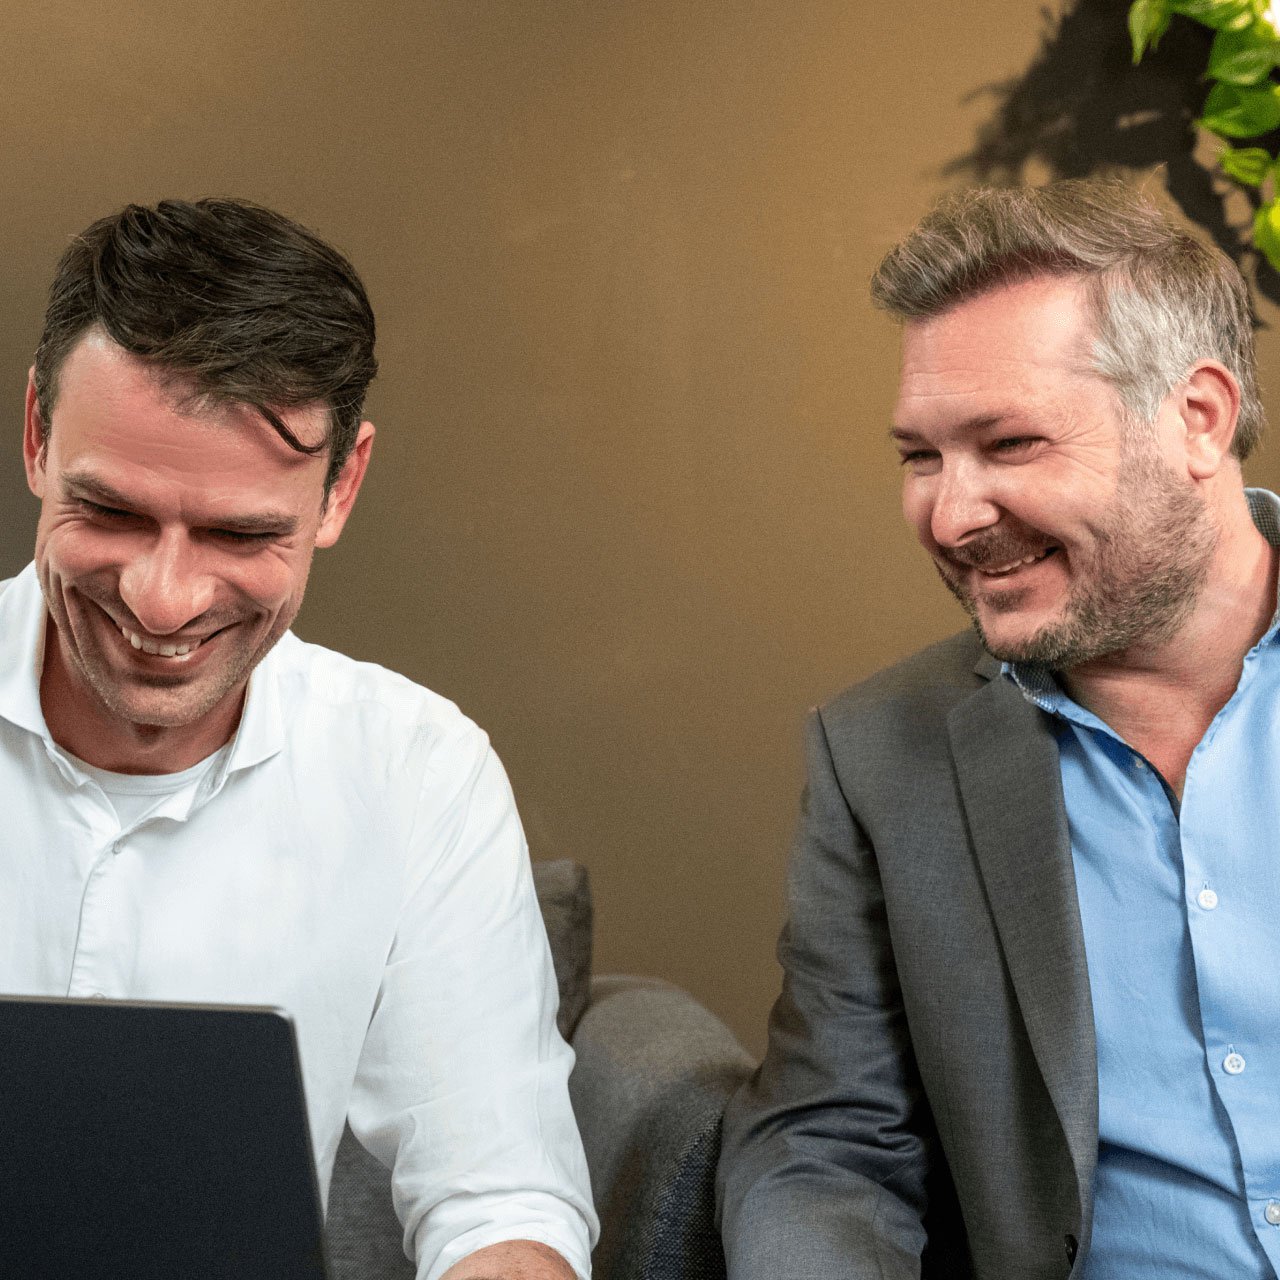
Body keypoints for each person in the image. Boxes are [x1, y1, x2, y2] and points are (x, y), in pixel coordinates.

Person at [1, 198, 596, 1280]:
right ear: (36, 434)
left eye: (238, 532)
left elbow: (497, 1196)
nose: (165, 599)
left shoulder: (417, 770)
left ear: (340, 486)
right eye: (114, 512)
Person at [716, 178, 1280, 1278]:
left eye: (1007, 443)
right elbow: (825, 1141)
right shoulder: (880, 754)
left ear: (1195, 417)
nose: (949, 512)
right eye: (919, 456)